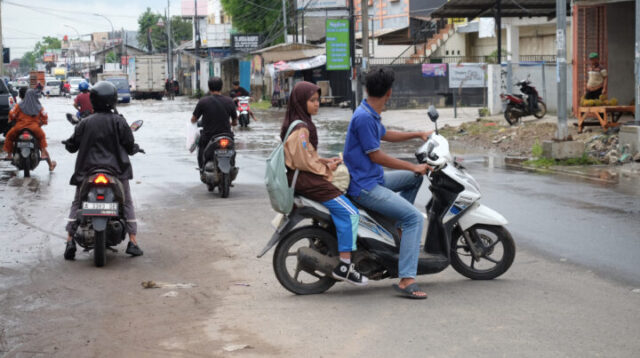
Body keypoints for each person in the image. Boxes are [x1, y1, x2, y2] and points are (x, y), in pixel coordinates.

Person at [343, 68, 432, 299]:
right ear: (389, 92)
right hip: (365, 187)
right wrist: (412, 164)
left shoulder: (367, 112)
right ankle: (407, 279)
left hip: (374, 179)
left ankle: (398, 229)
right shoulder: (364, 117)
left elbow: (385, 134)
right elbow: (377, 156)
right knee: (414, 217)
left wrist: (418, 134)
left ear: (366, 89)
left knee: (415, 178)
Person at [282, 81, 368, 286]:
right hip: (308, 181)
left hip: (303, 178)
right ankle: (345, 266)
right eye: (311, 100)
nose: (316, 104)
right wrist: (326, 170)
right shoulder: (301, 129)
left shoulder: (297, 122)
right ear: (301, 102)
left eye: (317, 100)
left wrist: (325, 161)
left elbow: (305, 156)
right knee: (350, 212)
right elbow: (304, 161)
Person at [62, 81, 143, 260]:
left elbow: (72, 146)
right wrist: (135, 148)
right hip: (116, 171)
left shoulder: (85, 123)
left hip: (87, 170)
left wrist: (68, 143)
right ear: (113, 100)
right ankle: (133, 241)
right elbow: (129, 146)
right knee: (127, 202)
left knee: (77, 202)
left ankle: (69, 240)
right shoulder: (119, 121)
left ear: (93, 100)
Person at [3, 88, 57, 171]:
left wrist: (11, 118)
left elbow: (12, 113)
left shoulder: (19, 105)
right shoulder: (38, 106)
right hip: (34, 128)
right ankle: (43, 153)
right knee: (42, 137)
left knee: (9, 136)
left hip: (19, 127)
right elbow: (45, 116)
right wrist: (41, 124)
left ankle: (9, 154)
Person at [191, 77, 237, 171]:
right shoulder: (230, 101)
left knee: (200, 146)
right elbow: (235, 122)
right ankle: (232, 166)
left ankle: (202, 168)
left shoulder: (203, 101)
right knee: (232, 149)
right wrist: (231, 123)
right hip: (226, 136)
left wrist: (195, 122)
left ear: (209, 87)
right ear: (221, 87)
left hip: (209, 137)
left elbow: (193, 119)